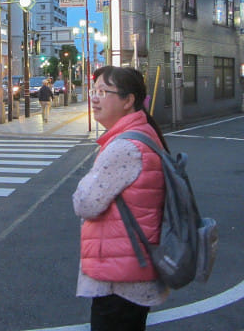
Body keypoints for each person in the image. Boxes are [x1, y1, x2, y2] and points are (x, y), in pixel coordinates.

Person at [73, 66, 170, 330]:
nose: (94, 98)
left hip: (120, 279)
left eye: (103, 92)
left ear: (128, 101)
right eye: (94, 91)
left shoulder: (124, 147)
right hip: (131, 268)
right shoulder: (143, 134)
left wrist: (85, 182)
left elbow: (85, 203)